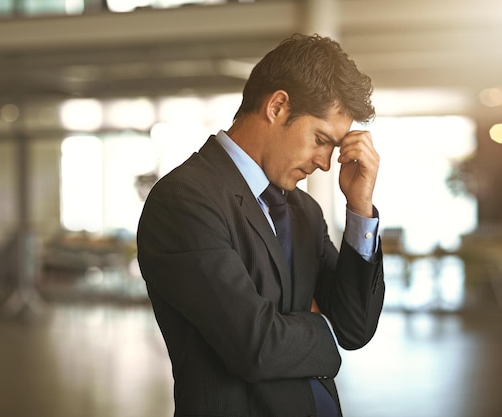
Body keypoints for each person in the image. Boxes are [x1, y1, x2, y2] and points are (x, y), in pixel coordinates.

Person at [137, 33, 385, 417]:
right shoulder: (184, 200)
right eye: (320, 139)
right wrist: (323, 328)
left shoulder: (305, 210)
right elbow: (258, 348)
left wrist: (360, 208)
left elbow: (353, 328)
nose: (325, 162)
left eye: (333, 148)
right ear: (278, 107)